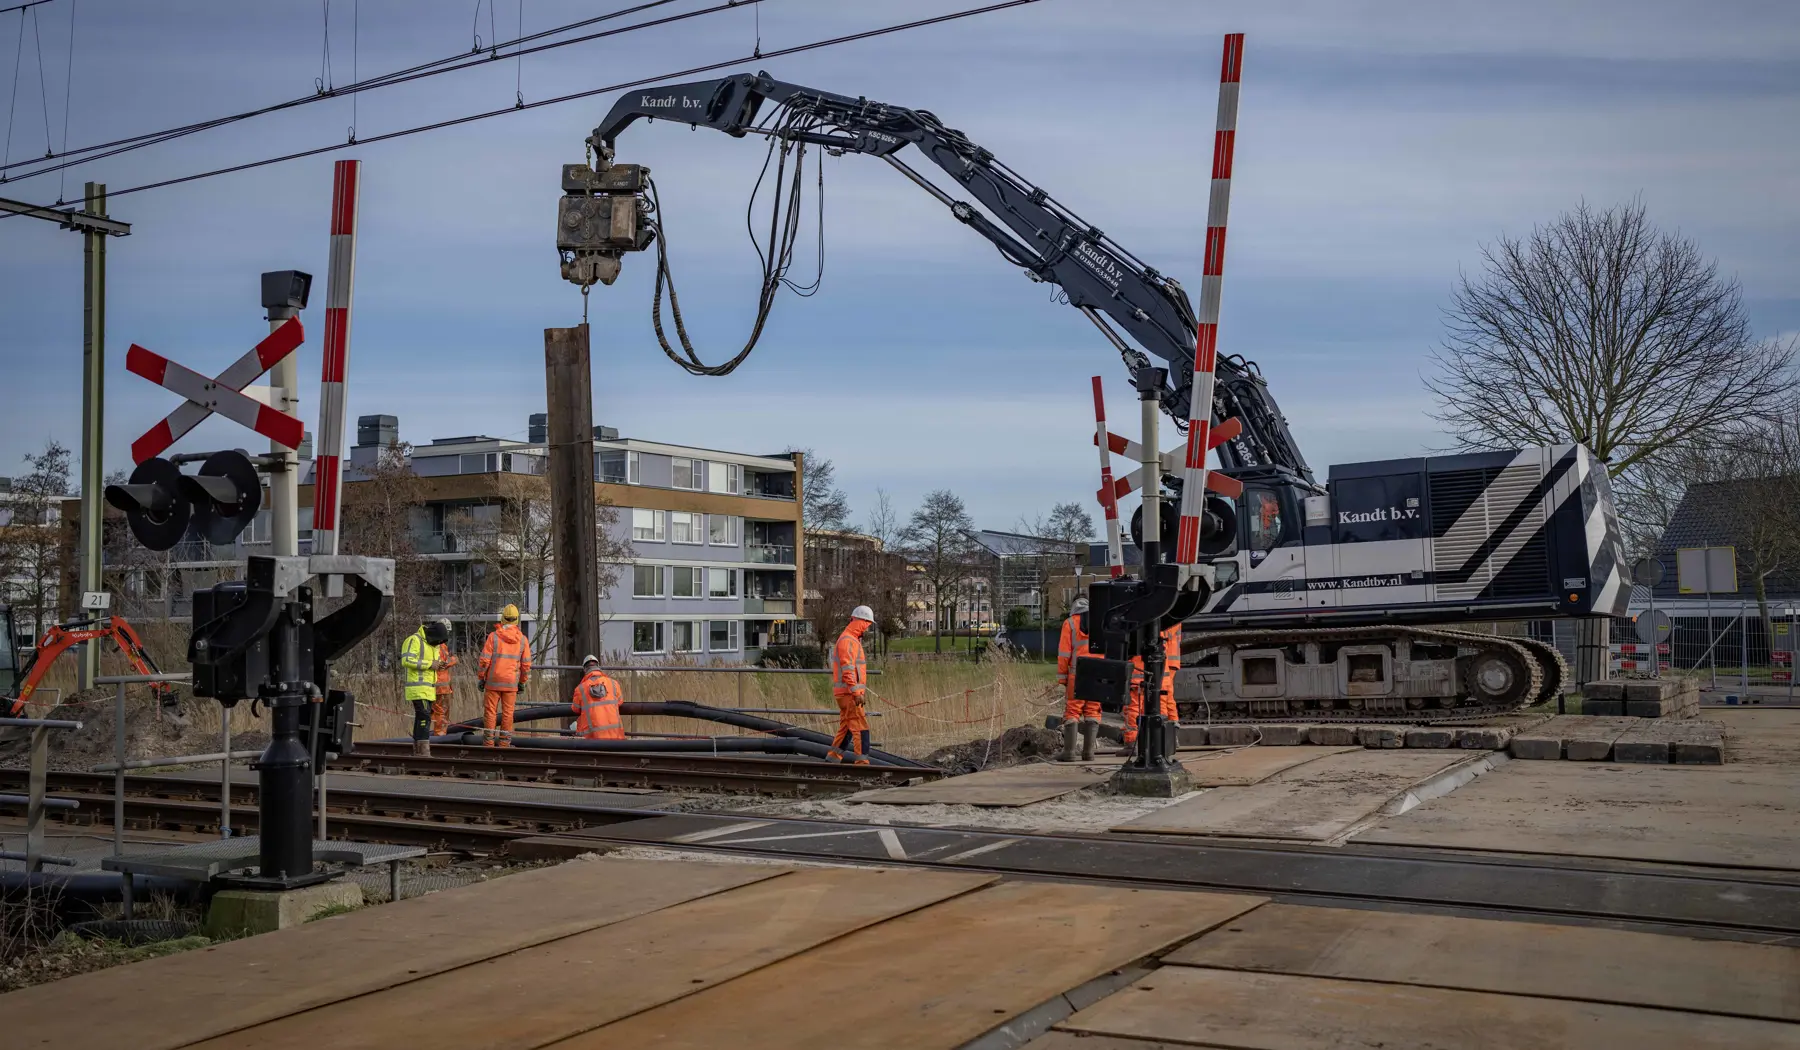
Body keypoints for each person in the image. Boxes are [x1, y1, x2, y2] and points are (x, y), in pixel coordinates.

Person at [1119, 623, 1181, 756]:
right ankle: (1165, 742)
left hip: (1140, 670)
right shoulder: (1171, 615)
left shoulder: (1145, 616)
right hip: (1165, 667)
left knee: (1134, 707)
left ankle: (1132, 743)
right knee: (1163, 705)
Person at [477, 604, 532, 747]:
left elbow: (484, 661)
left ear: (503, 619)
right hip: (511, 683)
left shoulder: (493, 637)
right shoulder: (522, 640)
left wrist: (481, 677)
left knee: (490, 712)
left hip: (493, 681)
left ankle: (488, 744)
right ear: (516, 620)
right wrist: (522, 682)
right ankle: (504, 745)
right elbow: (526, 665)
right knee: (508, 714)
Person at [829, 605, 875, 764]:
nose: (867, 629)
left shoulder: (849, 639)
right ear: (861, 622)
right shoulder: (848, 641)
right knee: (860, 727)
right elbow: (848, 670)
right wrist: (856, 693)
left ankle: (833, 758)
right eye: (867, 625)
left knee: (846, 727)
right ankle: (862, 763)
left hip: (846, 693)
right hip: (849, 694)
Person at [1057, 598, 1101, 762]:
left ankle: (1069, 752)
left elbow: (1064, 654)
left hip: (1077, 674)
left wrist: (1062, 677)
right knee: (1093, 711)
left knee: (1072, 712)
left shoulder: (1070, 623)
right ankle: (1088, 753)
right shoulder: (1099, 621)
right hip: (1098, 673)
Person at [400, 619, 450, 757]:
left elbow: (432, 663)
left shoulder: (435, 645)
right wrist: (430, 664)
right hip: (417, 687)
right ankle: (423, 751)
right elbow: (406, 660)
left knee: (423, 717)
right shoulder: (414, 640)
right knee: (424, 717)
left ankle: (418, 750)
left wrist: (438, 664)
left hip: (429, 689)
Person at [570, 654, 625, 740]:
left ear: (585, 669)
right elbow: (620, 702)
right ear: (598, 667)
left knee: (575, 726)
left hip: (593, 740)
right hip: (616, 737)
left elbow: (575, 709)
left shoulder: (580, 689)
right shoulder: (614, 684)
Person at [431, 619, 457, 738]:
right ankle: (439, 738)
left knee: (436, 713)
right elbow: (442, 663)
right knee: (442, 714)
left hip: (439, 687)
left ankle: (433, 736)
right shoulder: (439, 645)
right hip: (440, 687)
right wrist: (454, 660)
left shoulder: (436, 644)